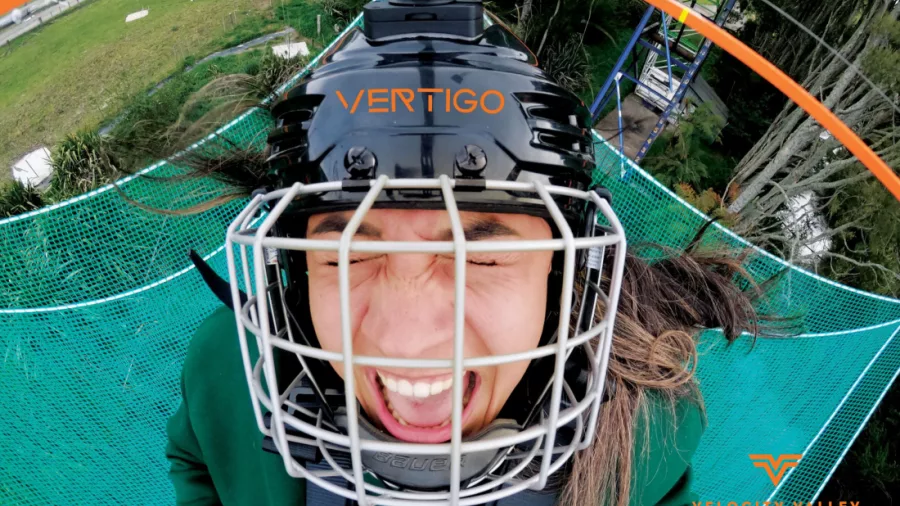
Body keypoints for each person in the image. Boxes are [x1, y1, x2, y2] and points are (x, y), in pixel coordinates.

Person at [164, 2, 762, 504]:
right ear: (296, 271)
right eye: (348, 255)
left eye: (481, 256)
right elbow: (199, 465)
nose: (407, 340)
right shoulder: (230, 372)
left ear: (561, 276)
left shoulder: (649, 435)